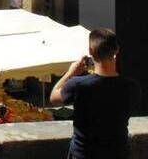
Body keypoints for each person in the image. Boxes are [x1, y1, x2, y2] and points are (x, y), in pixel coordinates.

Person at [50, 28, 141, 159]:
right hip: (118, 153)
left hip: (83, 154)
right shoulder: (131, 87)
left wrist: (70, 73)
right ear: (117, 50)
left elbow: (53, 97)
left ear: (90, 51)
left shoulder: (79, 85)